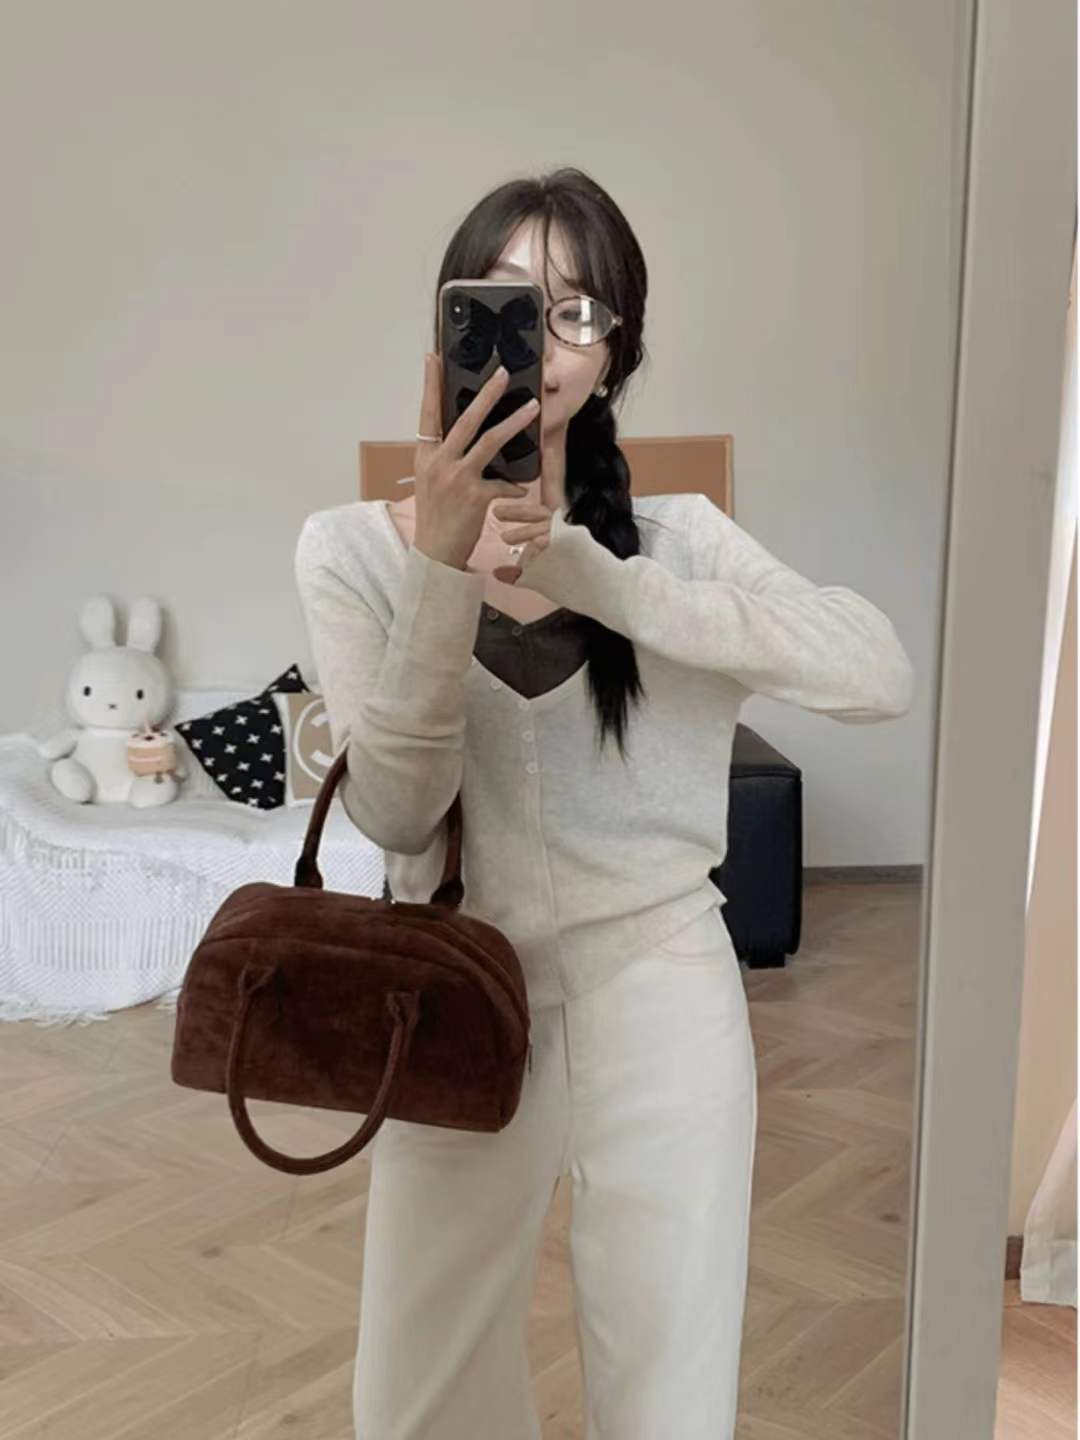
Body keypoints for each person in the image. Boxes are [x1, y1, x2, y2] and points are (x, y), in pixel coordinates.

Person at [294, 166, 914, 1440]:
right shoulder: (349, 549)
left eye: (576, 310)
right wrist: (440, 571)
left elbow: (877, 672)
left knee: (671, 1379)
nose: (545, 339)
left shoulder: (680, 540)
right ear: (448, 329)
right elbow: (398, 815)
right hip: (454, 991)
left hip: (663, 984)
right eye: (507, 303)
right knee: (419, 1394)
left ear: (616, 348)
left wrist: (603, 578)